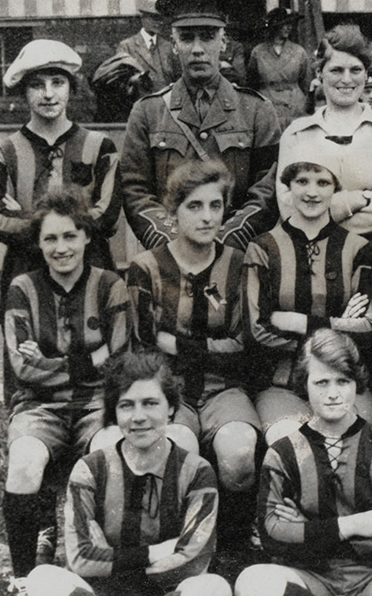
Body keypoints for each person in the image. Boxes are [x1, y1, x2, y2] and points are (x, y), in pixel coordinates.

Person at [234, 329, 372, 596]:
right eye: (321, 382)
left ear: (357, 383)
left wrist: (306, 530)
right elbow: (272, 536)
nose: (333, 393)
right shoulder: (284, 452)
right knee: (253, 580)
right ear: (304, 384)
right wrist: (353, 525)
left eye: (343, 381)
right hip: (309, 577)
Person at [125, 159, 260, 550]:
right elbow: (143, 348)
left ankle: (233, 547)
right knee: (176, 451)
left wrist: (181, 345)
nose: (206, 217)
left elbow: (244, 345)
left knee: (238, 454)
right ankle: (181, 544)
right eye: (194, 206)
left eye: (215, 206)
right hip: (170, 391)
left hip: (224, 389)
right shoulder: (146, 267)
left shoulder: (237, 263)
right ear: (173, 212)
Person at [0, 190, 133, 589]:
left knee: (111, 454)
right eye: (51, 239)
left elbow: (121, 362)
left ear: (87, 237)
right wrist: (93, 357)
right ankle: (25, 577)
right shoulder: (22, 288)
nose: (62, 248)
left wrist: (50, 361)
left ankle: (103, 567)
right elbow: (23, 368)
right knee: (24, 461)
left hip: (98, 404)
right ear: (38, 243)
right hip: (39, 407)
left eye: (70, 236)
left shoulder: (110, 285)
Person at [21, 351, 231, 596]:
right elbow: (79, 558)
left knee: (213, 587)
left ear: (171, 408)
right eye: (126, 405)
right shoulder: (90, 469)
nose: (139, 417)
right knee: (42, 577)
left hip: (167, 591)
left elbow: (193, 559)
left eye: (151, 403)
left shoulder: (196, 471)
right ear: (114, 412)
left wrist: (110, 559)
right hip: (104, 592)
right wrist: (155, 552)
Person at [0, 39, 121, 405]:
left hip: (90, 270)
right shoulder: (4, 154)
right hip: (26, 272)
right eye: (36, 84)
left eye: (57, 82)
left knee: (99, 370)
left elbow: (107, 217)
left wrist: (28, 218)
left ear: (71, 88)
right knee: (29, 370)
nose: (48, 94)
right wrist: (77, 219)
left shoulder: (100, 147)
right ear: (23, 91)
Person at [119, 0, 281, 252]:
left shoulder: (257, 110)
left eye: (207, 36)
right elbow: (134, 188)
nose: (197, 49)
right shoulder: (148, 112)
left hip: (236, 256)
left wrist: (228, 241)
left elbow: (268, 187)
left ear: (223, 42)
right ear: (173, 44)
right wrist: (173, 245)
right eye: (186, 38)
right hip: (168, 260)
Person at [245, 145, 372, 446]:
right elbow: (255, 329)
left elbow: (369, 329)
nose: (312, 192)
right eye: (302, 181)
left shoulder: (358, 248)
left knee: (351, 445)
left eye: (323, 182)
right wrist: (338, 326)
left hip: (344, 381)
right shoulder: (263, 248)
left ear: (336, 188)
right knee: (295, 448)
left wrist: (298, 322)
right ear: (288, 186)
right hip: (282, 384)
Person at [276, 24, 372, 243]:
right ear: (320, 74)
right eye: (336, 70)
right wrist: (364, 197)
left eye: (355, 70)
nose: (347, 80)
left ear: (366, 74)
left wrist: (318, 217)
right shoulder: (296, 133)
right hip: (311, 251)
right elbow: (289, 210)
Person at [248, 8, 313, 128]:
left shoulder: (299, 51)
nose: (289, 27)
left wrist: (300, 103)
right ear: (274, 26)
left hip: (295, 108)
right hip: (268, 108)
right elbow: (252, 84)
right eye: (285, 24)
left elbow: (306, 83)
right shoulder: (258, 52)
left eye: (290, 24)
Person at [115, 3, 181, 90]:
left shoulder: (168, 46)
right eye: (154, 18)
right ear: (143, 19)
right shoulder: (126, 46)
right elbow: (121, 82)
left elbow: (178, 77)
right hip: (139, 101)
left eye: (161, 19)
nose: (159, 22)